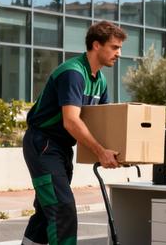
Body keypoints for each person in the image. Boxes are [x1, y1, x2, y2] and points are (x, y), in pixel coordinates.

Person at [21, 21, 127, 245]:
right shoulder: (73, 73)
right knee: (62, 209)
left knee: (45, 211)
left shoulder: (100, 81)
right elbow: (71, 121)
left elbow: (103, 123)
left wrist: (122, 153)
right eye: (114, 47)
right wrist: (100, 152)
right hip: (43, 145)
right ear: (96, 45)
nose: (119, 53)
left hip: (61, 149)